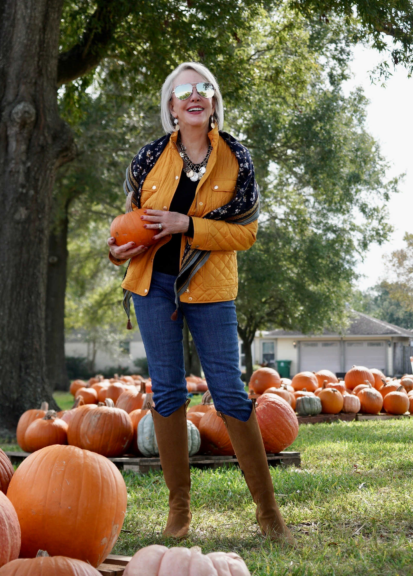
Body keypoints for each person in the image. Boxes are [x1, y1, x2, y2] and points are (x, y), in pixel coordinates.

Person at [107, 62, 294, 545]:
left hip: (210, 290)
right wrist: (116, 251)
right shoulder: (149, 159)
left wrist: (185, 225)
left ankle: (269, 513)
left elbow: (246, 231)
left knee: (230, 394)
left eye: (203, 88)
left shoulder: (236, 159)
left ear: (213, 102)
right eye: (182, 90)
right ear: (171, 106)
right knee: (167, 393)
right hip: (152, 285)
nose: (194, 95)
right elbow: (131, 223)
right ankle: (179, 512)